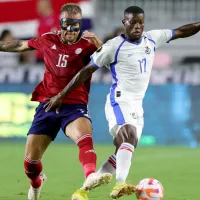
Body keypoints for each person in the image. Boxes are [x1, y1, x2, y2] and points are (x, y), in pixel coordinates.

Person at [43, 5, 200, 199]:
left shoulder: (152, 38)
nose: (137, 26)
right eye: (133, 22)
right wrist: (61, 95)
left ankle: (82, 191)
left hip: (137, 105)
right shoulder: (113, 46)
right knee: (129, 134)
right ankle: (120, 184)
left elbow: (181, 31)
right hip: (119, 100)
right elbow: (86, 71)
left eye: (141, 22)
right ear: (124, 22)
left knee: (122, 150)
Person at [0, 3, 112, 200]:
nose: (70, 30)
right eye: (66, 24)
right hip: (47, 105)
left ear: (80, 24)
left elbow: (112, 64)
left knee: (84, 138)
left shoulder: (87, 44)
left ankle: (90, 176)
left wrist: (101, 46)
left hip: (74, 105)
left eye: (75, 25)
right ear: (60, 23)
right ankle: (37, 182)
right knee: (30, 164)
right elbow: (20, 45)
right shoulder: (47, 39)